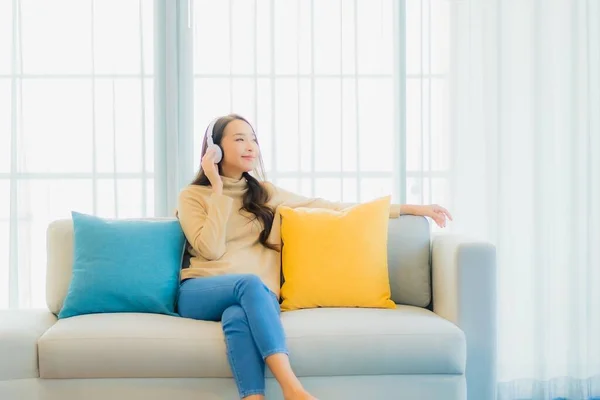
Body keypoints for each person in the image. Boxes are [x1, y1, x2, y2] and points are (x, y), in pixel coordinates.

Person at [175, 113, 452, 400]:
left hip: (254, 296)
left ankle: (253, 398)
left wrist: (410, 209)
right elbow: (211, 249)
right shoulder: (193, 196)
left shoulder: (264, 193)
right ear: (214, 149)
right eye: (239, 139)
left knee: (236, 316)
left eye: (253, 139)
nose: (251, 146)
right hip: (201, 290)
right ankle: (292, 388)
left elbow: (329, 207)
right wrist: (217, 190)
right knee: (249, 284)